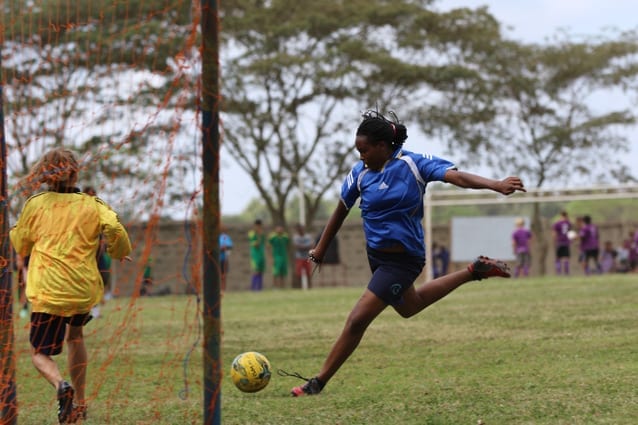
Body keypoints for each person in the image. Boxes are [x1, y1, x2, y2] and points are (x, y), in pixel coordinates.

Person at [287, 111, 525, 397]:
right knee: (410, 306)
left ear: (383, 146)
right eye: (357, 150)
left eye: (364, 150)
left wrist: (496, 185)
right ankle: (474, 270)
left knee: (357, 320)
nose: (360, 156)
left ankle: (317, 383)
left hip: (403, 260)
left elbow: (456, 176)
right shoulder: (359, 173)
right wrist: (321, 248)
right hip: (377, 258)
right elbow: (341, 208)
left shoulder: (413, 164)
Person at [10, 148, 132, 424]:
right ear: (76, 172)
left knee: (39, 354)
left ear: (45, 174)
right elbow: (114, 227)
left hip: (48, 290)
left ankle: (61, 385)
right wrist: (118, 250)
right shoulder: (92, 204)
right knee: (75, 336)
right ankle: (80, 403)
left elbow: (20, 242)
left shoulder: (36, 204)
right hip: (82, 288)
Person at [293, 224, 314, 289]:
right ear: (297, 230)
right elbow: (297, 247)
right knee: (298, 274)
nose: (301, 230)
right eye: (299, 229)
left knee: (309, 273)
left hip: (307, 257)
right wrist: (306, 247)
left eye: (301, 229)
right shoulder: (295, 237)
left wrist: (302, 247)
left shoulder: (308, 237)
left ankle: (309, 287)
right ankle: (299, 287)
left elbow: (311, 245)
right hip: (299, 257)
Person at [552, 210, 572, 275]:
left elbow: (554, 233)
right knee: (566, 258)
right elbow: (570, 233)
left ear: (561, 215)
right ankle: (566, 272)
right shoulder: (568, 223)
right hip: (566, 242)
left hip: (559, 242)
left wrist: (555, 240)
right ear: (566, 215)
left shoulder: (557, 223)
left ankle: (558, 272)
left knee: (558, 257)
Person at [248, 219, 266, 291]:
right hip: (255, 256)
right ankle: (253, 288)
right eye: (257, 226)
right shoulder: (252, 233)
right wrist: (258, 235)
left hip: (261, 255)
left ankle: (259, 288)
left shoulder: (262, 234)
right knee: (256, 271)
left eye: (260, 226)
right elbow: (256, 244)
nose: (258, 227)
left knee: (261, 272)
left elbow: (263, 243)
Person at [219, 227, 234, 291]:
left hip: (223, 259)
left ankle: (223, 289)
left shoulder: (225, 237)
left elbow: (230, 246)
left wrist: (223, 248)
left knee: (223, 275)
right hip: (215, 260)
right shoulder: (214, 238)